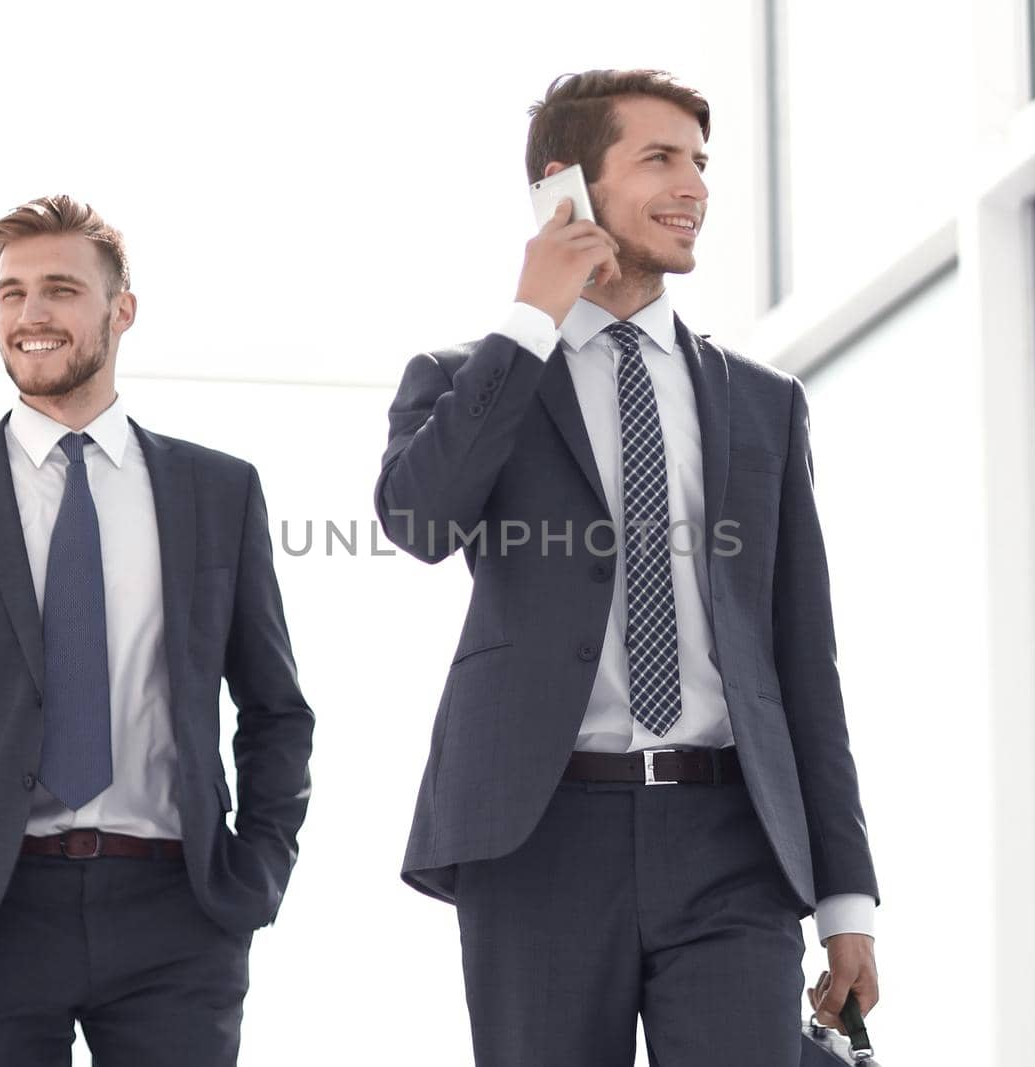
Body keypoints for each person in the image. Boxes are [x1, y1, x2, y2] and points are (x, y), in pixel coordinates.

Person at [375, 70, 879, 1065]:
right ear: (565, 186)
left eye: (699, 161)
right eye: (659, 157)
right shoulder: (468, 376)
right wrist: (531, 316)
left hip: (730, 831)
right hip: (539, 832)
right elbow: (420, 519)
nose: (693, 183)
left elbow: (801, 657)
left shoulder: (760, 402)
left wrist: (845, 895)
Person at [0, 195, 314, 1065]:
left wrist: (259, 870)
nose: (31, 315)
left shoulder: (218, 491)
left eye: (59, 289)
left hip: (177, 909)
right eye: (11, 292)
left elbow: (275, 707)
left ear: (120, 310)